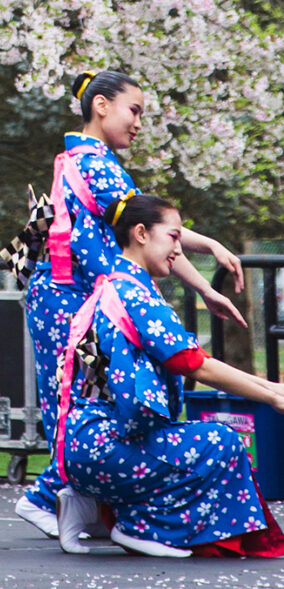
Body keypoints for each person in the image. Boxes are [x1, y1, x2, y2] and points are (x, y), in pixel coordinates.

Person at [16, 69, 247, 538]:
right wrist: (207, 266)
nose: (139, 123)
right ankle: (48, 498)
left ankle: (77, 500)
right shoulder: (94, 162)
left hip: (68, 294)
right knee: (84, 399)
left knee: (85, 398)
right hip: (69, 296)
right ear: (101, 105)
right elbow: (149, 227)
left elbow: (150, 231)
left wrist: (202, 274)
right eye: (134, 110)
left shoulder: (78, 157)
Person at [56, 193, 284, 558]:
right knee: (219, 442)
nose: (179, 249)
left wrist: (270, 387)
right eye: (174, 236)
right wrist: (271, 394)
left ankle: (87, 502)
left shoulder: (115, 284)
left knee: (192, 439)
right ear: (142, 233)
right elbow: (194, 363)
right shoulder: (135, 294)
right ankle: (141, 528)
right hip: (106, 445)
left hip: (86, 444)